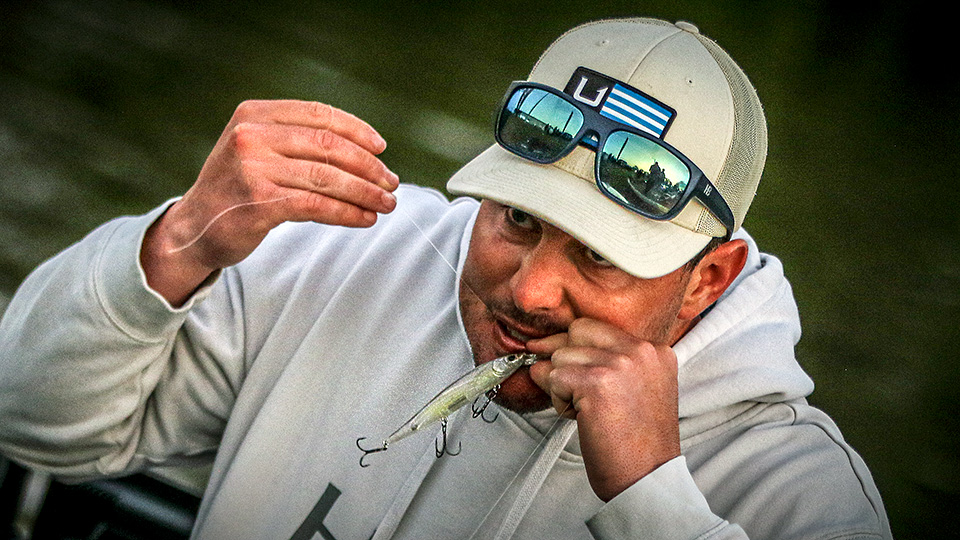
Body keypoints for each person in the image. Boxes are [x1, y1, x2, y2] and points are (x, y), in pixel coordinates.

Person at [0, 17, 891, 540]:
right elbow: (34, 425)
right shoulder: (342, 253)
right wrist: (176, 246)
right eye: (519, 220)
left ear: (706, 279)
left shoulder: (794, 488)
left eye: (599, 256)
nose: (530, 293)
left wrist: (653, 498)